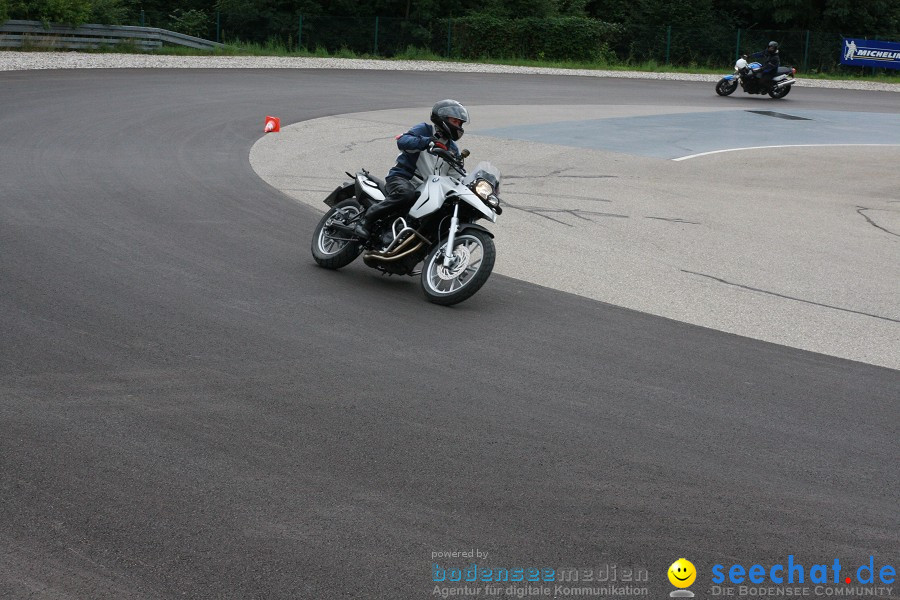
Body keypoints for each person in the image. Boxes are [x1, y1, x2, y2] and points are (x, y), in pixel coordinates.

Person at [354, 99, 468, 240]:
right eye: (454, 121)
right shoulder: (425, 130)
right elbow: (403, 141)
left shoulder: (453, 149)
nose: (457, 126)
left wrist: (469, 183)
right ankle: (366, 220)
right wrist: (427, 141)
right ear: (442, 118)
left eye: (459, 123)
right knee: (406, 194)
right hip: (403, 178)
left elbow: (455, 174)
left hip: (428, 190)